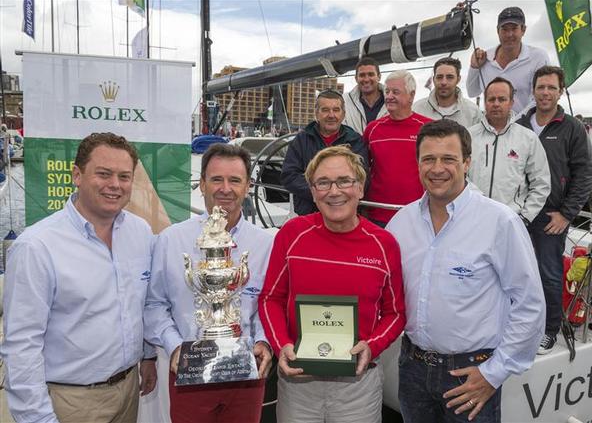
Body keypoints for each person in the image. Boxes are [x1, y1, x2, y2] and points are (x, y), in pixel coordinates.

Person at [387, 119, 545, 423]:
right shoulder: (400, 224)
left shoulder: (500, 222)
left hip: (471, 375)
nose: (437, 168)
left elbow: (529, 305)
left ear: (467, 163)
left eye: (449, 159)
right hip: (412, 370)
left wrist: (493, 374)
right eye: (428, 159)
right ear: (417, 163)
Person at [1, 132, 157, 423]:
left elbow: (142, 304)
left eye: (124, 177)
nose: (115, 185)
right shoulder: (37, 247)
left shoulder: (141, 233)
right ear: (77, 175)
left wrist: (147, 356)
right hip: (71, 402)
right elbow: (22, 344)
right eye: (104, 174)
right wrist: (37, 418)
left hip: (128, 392)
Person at [259, 146, 405, 422]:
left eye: (344, 181)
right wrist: (282, 346)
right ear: (312, 192)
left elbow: (395, 313)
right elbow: (270, 298)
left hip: (358, 386)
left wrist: (372, 345)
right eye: (323, 183)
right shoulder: (292, 234)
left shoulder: (384, 244)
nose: (334, 191)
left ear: (360, 188)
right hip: (299, 383)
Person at [143, 143, 274, 423]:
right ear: (202, 184)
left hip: (245, 372)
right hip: (190, 370)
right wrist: (175, 346)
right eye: (216, 179)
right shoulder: (170, 240)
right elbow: (154, 305)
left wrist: (264, 341)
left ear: (248, 185)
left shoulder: (266, 244)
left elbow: (269, 305)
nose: (225, 188)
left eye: (235, 180)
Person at [517, 65, 592, 354]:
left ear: (560, 91)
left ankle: (549, 329)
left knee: (548, 273)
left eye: (551, 87)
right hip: (519, 213)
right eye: (541, 87)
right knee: (516, 272)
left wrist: (567, 213)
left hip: (551, 216)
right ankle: (519, 323)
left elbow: (585, 172)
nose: (546, 92)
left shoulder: (571, 127)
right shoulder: (521, 125)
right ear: (533, 90)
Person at [468, 77, 550, 225]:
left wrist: (525, 217)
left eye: (502, 99)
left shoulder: (528, 138)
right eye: (491, 99)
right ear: (485, 102)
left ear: (511, 102)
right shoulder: (468, 136)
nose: (496, 104)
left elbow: (541, 183)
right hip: (473, 218)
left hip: (511, 221)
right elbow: (460, 177)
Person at [281, 89, 367, 215]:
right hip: (309, 213)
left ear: (343, 114)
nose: (331, 115)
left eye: (336, 110)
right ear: (316, 113)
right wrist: (322, 192)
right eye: (325, 110)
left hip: (344, 213)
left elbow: (363, 177)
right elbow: (289, 176)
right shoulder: (301, 140)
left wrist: (335, 192)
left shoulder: (355, 141)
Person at [363, 70, 432, 226]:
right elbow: (363, 168)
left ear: (411, 95)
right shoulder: (372, 129)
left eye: (396, 92)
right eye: (387, 91)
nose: (389, 96)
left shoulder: (428, 128)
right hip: (377, 213)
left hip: (418, 214)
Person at [466, 6, 550, 115]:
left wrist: (514, 124)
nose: (509, 34)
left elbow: (538, 99)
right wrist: (474, 67)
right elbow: (472, 92)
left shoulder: (538, 57)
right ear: (497, 31)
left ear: (523, 30)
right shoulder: (484, 58)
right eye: (505, 29)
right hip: (492, 129)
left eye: (514, 28)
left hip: (527, 128)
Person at [413, 57, 481, 127]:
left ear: (458, 79)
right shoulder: (417, 109)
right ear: (433, 79)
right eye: (439, 77)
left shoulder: (473, 112)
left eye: (450, 77)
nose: (444, 82)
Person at [343, 57, 388, 134]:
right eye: (362, 75)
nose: (366, 79)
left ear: (379, 77)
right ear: (356, 78)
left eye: (371, 74)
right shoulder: (344, 101)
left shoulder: (392, 101)